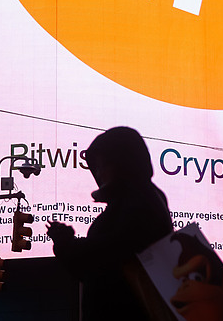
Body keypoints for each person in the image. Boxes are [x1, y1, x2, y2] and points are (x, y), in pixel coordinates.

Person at [47, 126, 174, 321]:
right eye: (96, 168)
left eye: (103, 166)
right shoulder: (138, 198)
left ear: (122, 163)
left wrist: (68, 245)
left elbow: (110, 253)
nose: (99, 174)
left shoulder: (138, 200)